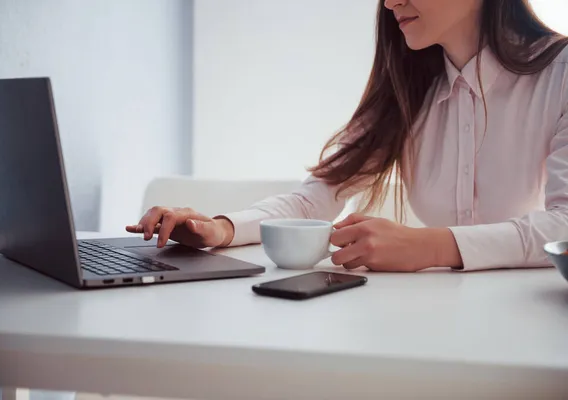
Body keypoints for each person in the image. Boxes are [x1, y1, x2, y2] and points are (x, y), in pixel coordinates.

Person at [127, 0, 568, 272]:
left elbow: (564, 225)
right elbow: (312, 201)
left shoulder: (561, 74)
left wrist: (429, 246)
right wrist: (218, 229)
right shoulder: (406, 87)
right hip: (441, 322)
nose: (392, 2)